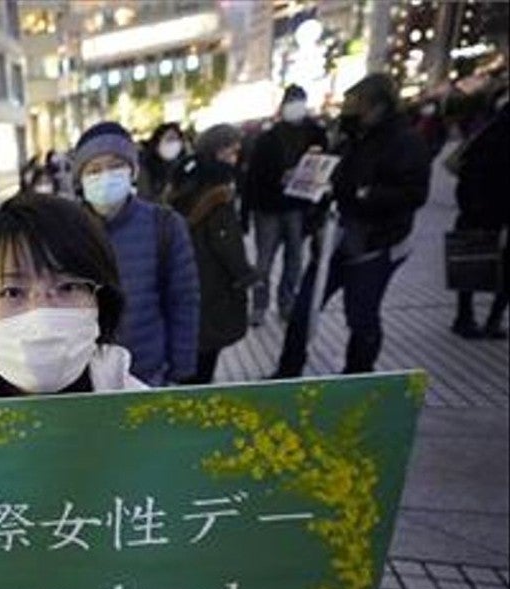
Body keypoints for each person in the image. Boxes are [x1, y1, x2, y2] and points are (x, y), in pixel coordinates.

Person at [272, 73, 431, 378]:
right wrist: (310, 184)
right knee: (303, 310)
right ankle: (287, 373)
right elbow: (333, 182)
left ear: (380, 106)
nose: (353, 112)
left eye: (359, 106)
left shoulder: (405, 141)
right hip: (333, 240)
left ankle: (357, 375)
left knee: (361, 316)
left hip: (373, 243)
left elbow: (414, 193)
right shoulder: (349, 139)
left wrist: (365, 193)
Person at [0, 193, 144, 401]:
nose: (41, 312)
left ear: (99, 301)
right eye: (12, 292)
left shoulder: (155, 420)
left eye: (68, 287)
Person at [71, 120, 200, 386]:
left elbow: (183, 301)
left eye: (116, 166)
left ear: (133, 171)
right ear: (80, 180)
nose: (106, 176)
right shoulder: (65, 231)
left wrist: (181, 369)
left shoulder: (164, 224)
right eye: (94, 170)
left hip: (149, 372)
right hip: (82, 379)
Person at [168, 125, 260, 384]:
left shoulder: (186, 176)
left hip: (185, 272)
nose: (235, 158)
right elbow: (227, 242)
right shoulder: (218, 192)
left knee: (192, 346)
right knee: (206, 351)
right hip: (212, 280)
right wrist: (246, 274)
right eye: (231, 152)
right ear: (217, 151)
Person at [242, 85, 329, 326]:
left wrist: (318, 209)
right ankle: (259, 306)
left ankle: (286, 304)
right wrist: (246, 213)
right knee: (263, 262)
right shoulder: (267, 137)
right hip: (268, 207)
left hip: (298, 207)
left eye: (300, 100)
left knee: (295, 259)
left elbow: (325, 167)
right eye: (291, 101)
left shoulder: (316, 133)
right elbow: (253, 176)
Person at [450, 92, 509, 339]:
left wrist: (468, 204)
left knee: (470, 262)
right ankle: (493, 320)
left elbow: (465, 168)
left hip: (476, 207)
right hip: (494, 206)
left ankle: (465, 317)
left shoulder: (487, 133)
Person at [137, 122, 187, 203]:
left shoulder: (182, 164)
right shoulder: (144, 166)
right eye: (169, 139)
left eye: (176, 139)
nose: (173, 144)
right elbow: (144, 199)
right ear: (157, 142)